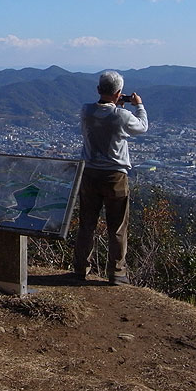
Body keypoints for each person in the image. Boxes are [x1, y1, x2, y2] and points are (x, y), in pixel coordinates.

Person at [73, 70, 148, 285]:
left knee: (87, 224)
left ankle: (80, 268)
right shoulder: (121, 116)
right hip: (115, 176)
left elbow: (102, 115)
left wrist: (115, 104)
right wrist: (139, 106)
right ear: (118, 92)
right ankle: (117, 273)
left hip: (89, 174)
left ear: (98, 89)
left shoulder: (86, 111)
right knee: (117, 226)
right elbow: (142, 127)